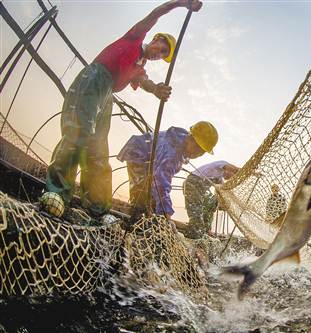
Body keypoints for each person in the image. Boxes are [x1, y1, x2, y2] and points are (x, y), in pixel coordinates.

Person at [44, 0, 202, 218]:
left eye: (163, 55)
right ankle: (57, 194)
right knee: (78, 135)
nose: (159, 53)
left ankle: (97, 209)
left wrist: (157, 90)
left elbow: (147, 83)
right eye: (161, 48)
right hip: (94, 79)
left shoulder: (139, 68)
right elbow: (156, 13)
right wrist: (182, 4)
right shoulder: (135, 38)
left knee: (98, 149)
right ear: (155, 38)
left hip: (107, 94)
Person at [117, 121, 218, 226]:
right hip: (138, 153)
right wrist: (167, 214)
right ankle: (135, 222)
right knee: (142, 192)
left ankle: (149, 221)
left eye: (202, 152)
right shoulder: (171, 151)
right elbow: (161, 183)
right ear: (191, 139)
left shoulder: (182, 142)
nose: (198, 154)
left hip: (151, 160)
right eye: (198, 149)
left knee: (152, 198)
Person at [183, 161, 240, 239]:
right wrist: (243, 171)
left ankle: (206, 229)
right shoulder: (221, 164)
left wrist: (227, 202)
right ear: (231, 170)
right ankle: (193, 236)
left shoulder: (219, 178)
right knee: (196, 213)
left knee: (209, 206)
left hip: (201, 192)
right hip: (193, 183)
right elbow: (233, 168)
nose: (230, 179)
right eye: (232, 176)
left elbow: (223, 191)